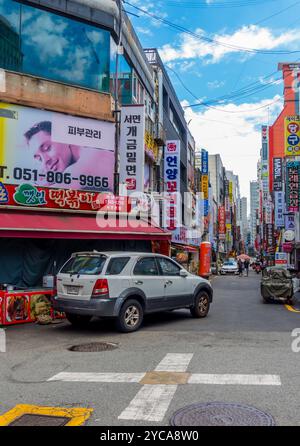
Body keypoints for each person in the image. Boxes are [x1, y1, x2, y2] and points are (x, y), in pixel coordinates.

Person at [24, 121, 114, 191]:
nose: (45, 161)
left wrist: (44, 183)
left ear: (63, 137)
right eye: (39, 159)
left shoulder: (91, 157)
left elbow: (46, 195)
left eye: (47, 148)